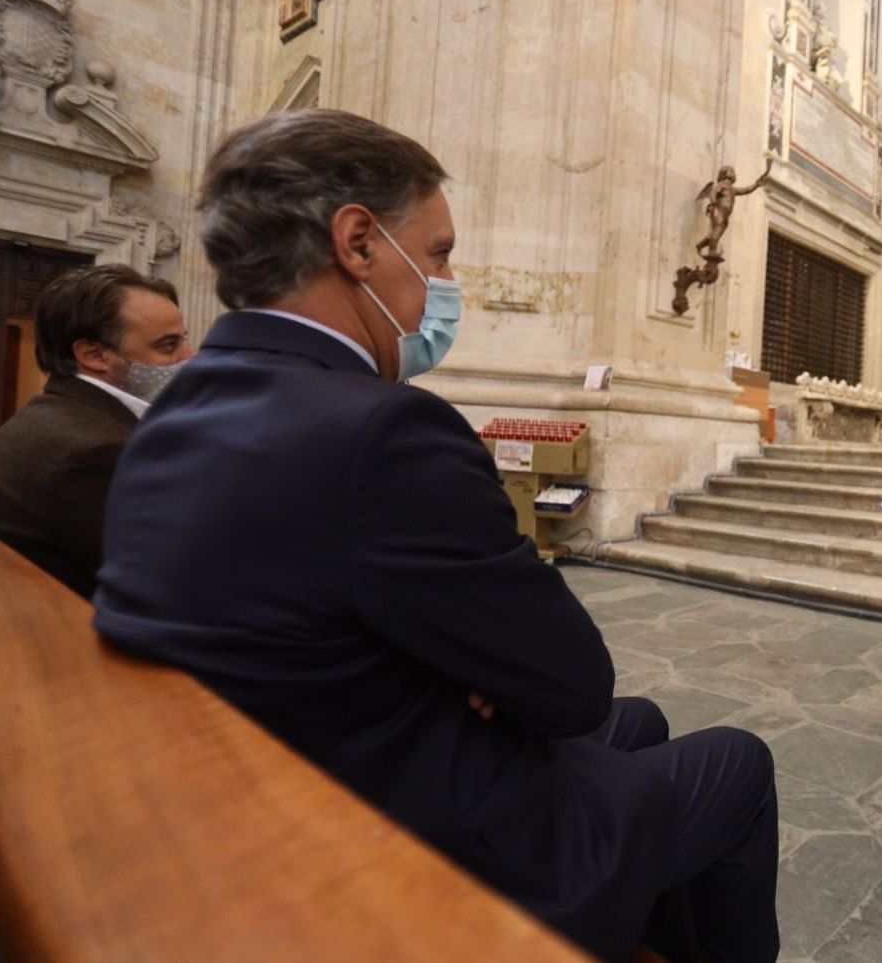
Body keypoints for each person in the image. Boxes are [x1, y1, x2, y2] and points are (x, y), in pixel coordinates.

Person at [90, 109, 778, 963]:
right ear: (358, 242)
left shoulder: (174, 412)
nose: (445, 282)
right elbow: (572, 684)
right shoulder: (383, 431)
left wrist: (462, 668)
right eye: (440, 251)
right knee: (736, 764)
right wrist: (471, 673)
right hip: (394, 837)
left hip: (275, 780)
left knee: (641, 722)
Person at [0, 265, 191, 596]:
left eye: (183, 341)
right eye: (168, 345)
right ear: (95, 354)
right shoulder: (96, 452)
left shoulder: (54, 413)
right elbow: (168, 581)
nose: (188, 357)